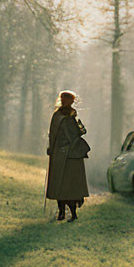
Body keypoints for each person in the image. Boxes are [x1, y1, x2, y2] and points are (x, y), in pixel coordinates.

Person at [45, 90, 90, 221]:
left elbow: (77, 133)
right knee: (60, 185)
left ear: (72, 101)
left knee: (71, 186)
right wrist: (51, 148)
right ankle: (61, 212)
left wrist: (80, 128)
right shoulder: (57, 116)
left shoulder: (72, 115)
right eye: (63, 98)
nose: (65, 101)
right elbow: (52, 135)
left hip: (72, 156)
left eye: (68, 99)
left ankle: (72, 213)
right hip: (60, 154)